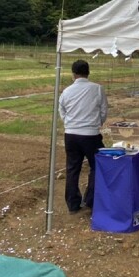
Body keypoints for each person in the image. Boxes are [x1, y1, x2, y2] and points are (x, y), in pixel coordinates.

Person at [58, 59, 108, 213]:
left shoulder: (66, 91)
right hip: (90, 135)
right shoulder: (97, 89)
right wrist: (96, 123)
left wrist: (70, 124)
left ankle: (73, 204)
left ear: (73, 74)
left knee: (72, 168)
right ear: (88, 72)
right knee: (97, 166)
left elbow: (62, 111)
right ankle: (91, 200)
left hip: (71, 135)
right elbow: (104, 111)